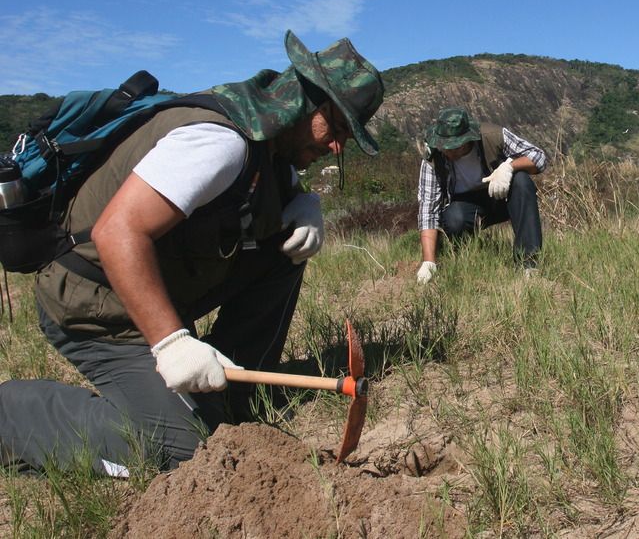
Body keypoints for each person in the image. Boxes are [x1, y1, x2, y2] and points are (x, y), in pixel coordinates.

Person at [0, 30, 384, 475]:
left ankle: (232, 397)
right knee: (184, 451)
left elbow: (256, 196)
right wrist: (172, 344)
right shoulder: (220, 143)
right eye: (334, 127)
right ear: (302, 101)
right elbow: (117, 232)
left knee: (285, 251)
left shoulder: (269, 139)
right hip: (94, 306)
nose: (336, 145)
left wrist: (302, 202)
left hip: (152, 285)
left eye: (347, 138)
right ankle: (14, 415)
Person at [416, 107, 546, 284]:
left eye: (455, 147)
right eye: (444, 147)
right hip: (465, 206)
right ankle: (462, 256)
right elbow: (428, 210)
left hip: (500, 195)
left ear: (468, 139)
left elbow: (539, 157)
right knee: (454, 219)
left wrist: (510, 167)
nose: (448, 152)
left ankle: (529, 265)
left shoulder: (492, 135)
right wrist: (428, 261)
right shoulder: (433, 158)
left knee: (522, 182)